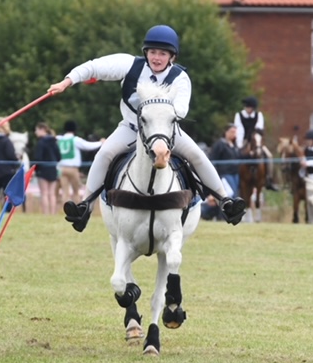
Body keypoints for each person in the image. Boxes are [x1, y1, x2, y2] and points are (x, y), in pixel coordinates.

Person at [48, 24, 245, 232]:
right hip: (131, 128)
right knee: (104, 153)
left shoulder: (180, 78)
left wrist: (157, 111)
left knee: (197, 155)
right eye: (152, 52)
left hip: (166, 131)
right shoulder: (130, 65)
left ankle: (225, 201)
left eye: (162, 53)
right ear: (145, 52)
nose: (156, 57)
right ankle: (85, 206)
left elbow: (181, 110)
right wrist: (67, 82)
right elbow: (94, 67)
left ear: (172, 57)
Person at [233, 96, 279, 191]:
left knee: (269, 156)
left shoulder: (259, 115)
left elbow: (259, 129)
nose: (247, 109)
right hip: (243, 140)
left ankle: (269, 179)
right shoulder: (239, 115)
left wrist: (256, 141)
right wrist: (239, 145)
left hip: (256, 141)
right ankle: (236, 178)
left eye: (249, 107)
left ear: (253, 108)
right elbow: (239, 130)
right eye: (246, 107)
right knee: (236, 155)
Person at [57, 120, 103, 204]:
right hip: (73, 168)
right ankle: (76, 210)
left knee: (65, 192)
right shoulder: (75, 140)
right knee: (76, 191)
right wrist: (100, 143)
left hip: (62, 168)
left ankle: (64, 210)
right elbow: (88, 146)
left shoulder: (60, 139)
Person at [33, 122, 61, 215]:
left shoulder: (41, 142)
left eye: (36, 130)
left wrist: (35, 169)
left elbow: (38, 158)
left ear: (42, 130)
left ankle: (46, 213)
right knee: (52, 193)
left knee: (44, 193)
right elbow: (59, 157)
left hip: (43, 169)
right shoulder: (54, 141)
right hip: (52, 168)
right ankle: (52, 213)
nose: (35, 132)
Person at [209, 123, 240, 197]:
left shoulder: (234, 145)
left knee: (236, 192)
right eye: (232, 132)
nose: (234, 134)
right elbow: (213, 158)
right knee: (232, 192)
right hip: (225, 173)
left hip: (235, 172)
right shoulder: (220, 144)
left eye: (235, 132)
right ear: (226, 132)